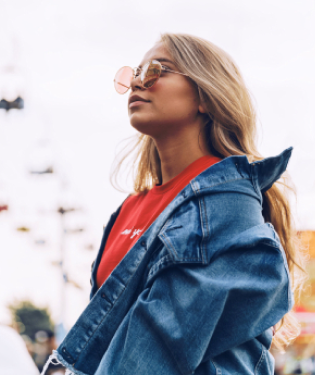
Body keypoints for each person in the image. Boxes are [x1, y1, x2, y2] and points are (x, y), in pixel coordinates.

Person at [41, 33, 306, 375]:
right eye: (135, 73)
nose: (138, 80)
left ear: (206, 97)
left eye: (157, 70)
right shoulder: (127, 209)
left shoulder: (226, 205)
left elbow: (153, 351)